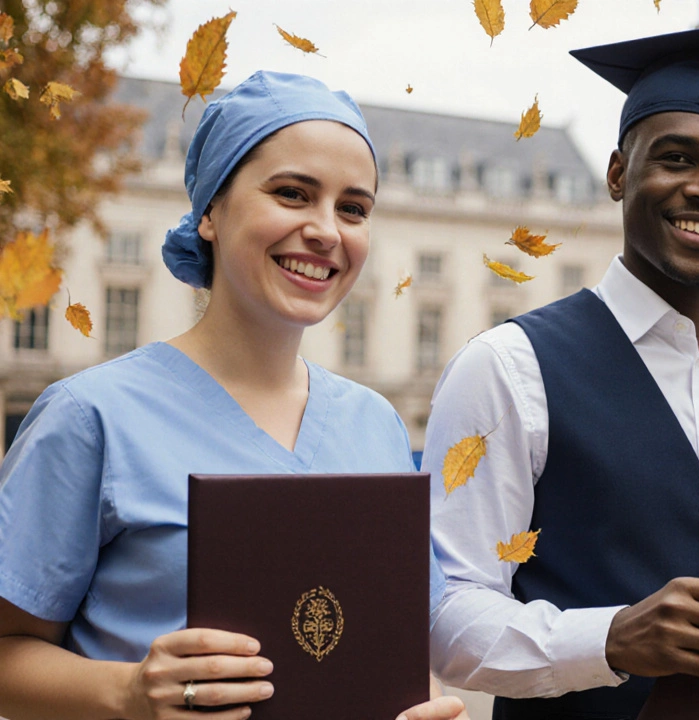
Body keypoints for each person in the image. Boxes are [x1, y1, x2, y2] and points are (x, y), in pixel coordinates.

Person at [425, 23, 699, 720]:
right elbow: (446, 612)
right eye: (678, 158)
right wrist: (610, 639)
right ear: (619, 174)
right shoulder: (508, 370)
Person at [0, 71, 464, 720]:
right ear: (210, 212)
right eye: (293, 194)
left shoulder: (376, 426)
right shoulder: (91, 416)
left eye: (353, 208)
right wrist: (127, 694)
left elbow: (392, 655)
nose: (326, 230)